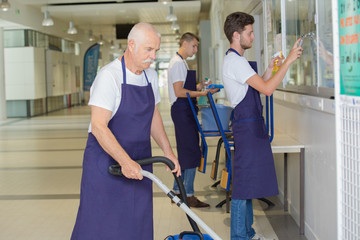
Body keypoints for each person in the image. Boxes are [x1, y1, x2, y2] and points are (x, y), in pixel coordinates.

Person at [71, 22, 181, 240]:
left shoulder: (149, 76)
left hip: (140, 161)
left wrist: (168, 152)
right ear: (131, 45)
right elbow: (99, 127)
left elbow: (153, 116)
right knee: (102, 226)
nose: (153, 56)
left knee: (136, 223)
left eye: (156, 50)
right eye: (149, 49)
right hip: (106, 165)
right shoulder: (109, 76)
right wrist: (124, 161)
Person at [222, 12, 303, 240]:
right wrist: (288, 61)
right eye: (250, 32)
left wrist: (271, 69)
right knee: (242, 186)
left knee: (247, 185)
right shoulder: (235, 61)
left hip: (250, 127)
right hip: (246, 129)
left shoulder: (237, 62)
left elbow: (259, 85)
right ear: (237, 35)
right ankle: (240, 236)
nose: (253, 36)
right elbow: (267, 90)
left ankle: (247, 232)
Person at [168, 32, 218, 208]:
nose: (196, 49)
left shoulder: (182, 63)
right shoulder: (177, 64)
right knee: (190, 152)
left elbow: (186, 88)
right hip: (182, 110)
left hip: (185, 109)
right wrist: (202, 94)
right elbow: (179, 92)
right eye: (194, 46)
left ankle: (177, 190)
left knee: (187, 151)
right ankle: (188, 194)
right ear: (185, 43)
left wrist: (201, 86)